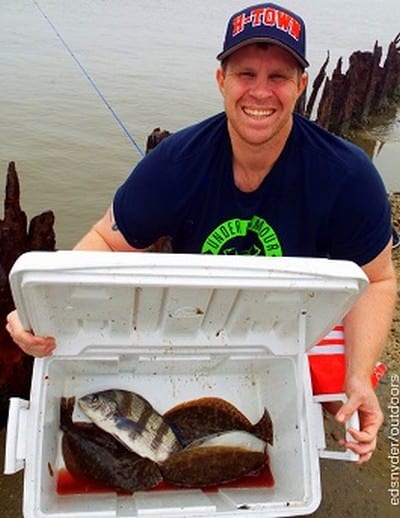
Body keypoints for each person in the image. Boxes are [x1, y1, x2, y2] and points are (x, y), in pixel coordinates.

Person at [6, 2, 396, 464]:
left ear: (301, 85)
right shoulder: (176, 162)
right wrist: (39, 308)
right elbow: (108, 242)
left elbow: (378, 278)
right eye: (245, 73)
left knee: (337, 396)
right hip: (200, 319)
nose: (260, 92)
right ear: (221, 80)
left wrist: (356, 377)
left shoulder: (347, 175)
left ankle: (302, 437)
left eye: (279, 77)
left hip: (291, 320)